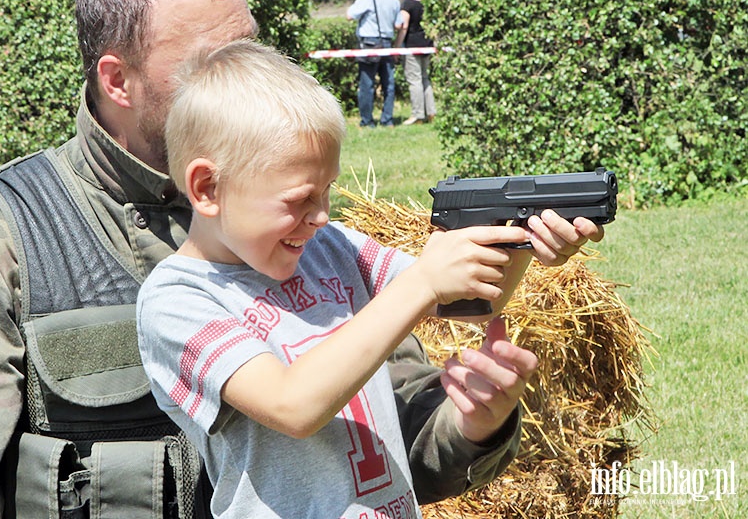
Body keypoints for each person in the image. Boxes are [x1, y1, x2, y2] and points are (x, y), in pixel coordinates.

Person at [0, 0, 602, 519]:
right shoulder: (3, 238)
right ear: (117, 79)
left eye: (252, 49)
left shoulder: (299, 229)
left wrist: (478, 417)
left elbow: (404, 438)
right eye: (209, 63)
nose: (246, 75)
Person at [137, 39, 605, 518]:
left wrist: (520, 241)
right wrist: (423, 281)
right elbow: (293, 405)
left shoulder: (328, 248)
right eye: (300, 199)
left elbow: (463, 300)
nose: (321, 215)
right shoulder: (177, 299)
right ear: (207, 188)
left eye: (327, 191)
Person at [346, 0, 402, 128]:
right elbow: (398, 24)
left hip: (368, 44)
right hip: (387, 43)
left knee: (367, 84)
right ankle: (387, 120)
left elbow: (350, 15)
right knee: (388, 84)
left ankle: (367, 121)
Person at [394, 0, 437, 126]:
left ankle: (417, 114)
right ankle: (431, 111)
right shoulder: (427, 2)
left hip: (412, 45)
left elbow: (403, 27)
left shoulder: (407, 4)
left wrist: (397, 48)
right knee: (425, 78)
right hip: (427, 45)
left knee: (414, 80)